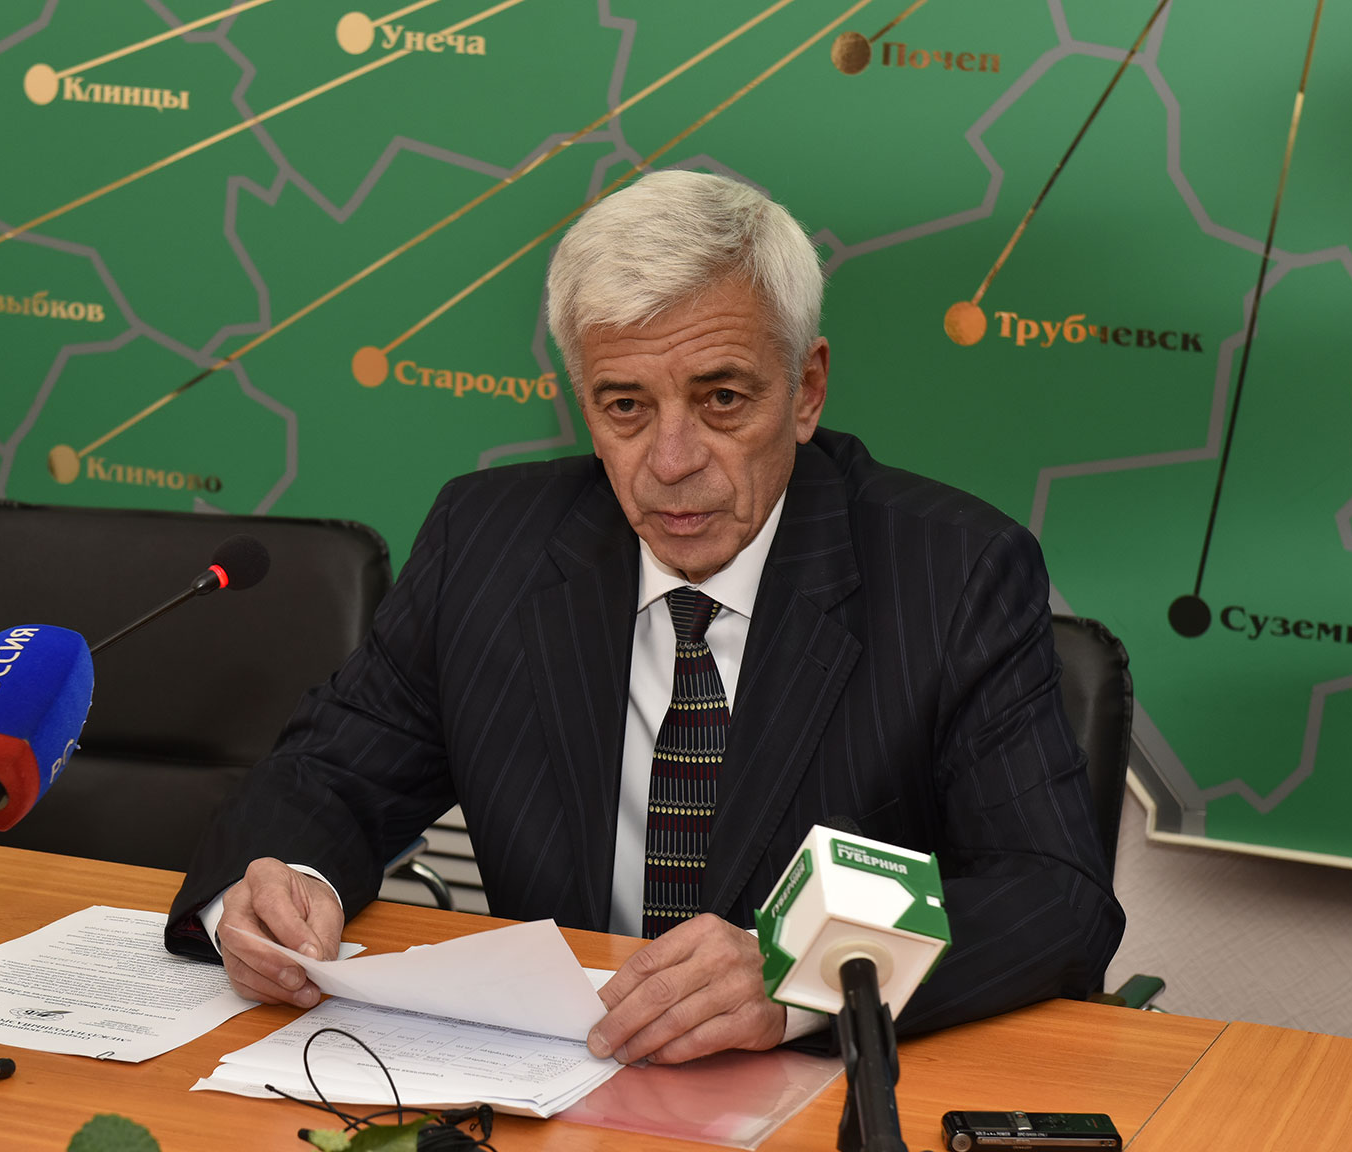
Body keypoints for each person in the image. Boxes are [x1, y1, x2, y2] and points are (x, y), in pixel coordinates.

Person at [165, 169, 1123, 1065]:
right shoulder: (488, 544)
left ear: (806, 390)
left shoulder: (952, 572)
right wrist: (279, 889)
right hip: (556, 1076)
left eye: (721, 399)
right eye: (625, 405)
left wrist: (795, 973)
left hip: (814, 1095)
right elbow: (331, 774)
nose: (671, 461)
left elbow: (1053, 895)